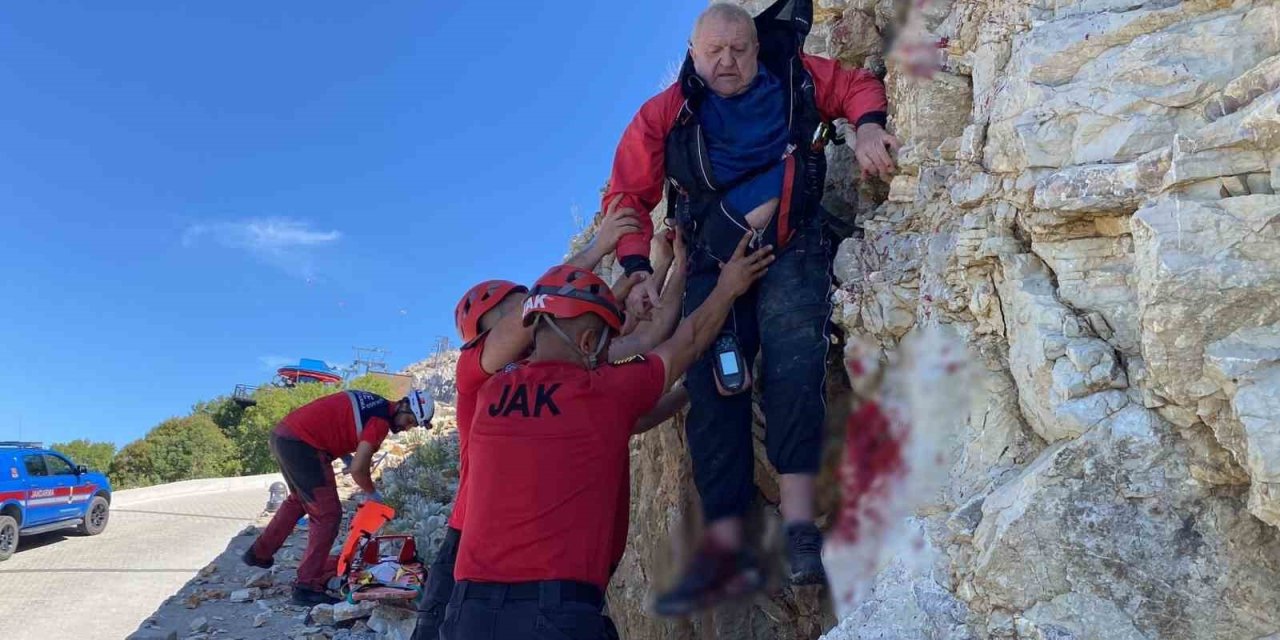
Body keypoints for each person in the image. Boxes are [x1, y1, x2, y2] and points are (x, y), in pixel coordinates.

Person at [601, 0, 898, 613]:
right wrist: (636, 271)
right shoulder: (664, 114)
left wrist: (868, 125)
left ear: (757, 47)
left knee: (795, 359)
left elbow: (854, 85)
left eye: (739, 48)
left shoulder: (794, 73)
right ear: (693, 53)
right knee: (715, 391)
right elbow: (629, 195)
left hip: (792, 243)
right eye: (714, 52)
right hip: (710, 257)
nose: (728, 61)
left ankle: (798, 533)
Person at [439, 233, 773, 640]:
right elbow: (686, 339)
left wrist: (667, 269)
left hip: (468, 613)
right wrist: (728, 286)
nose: (606, 352)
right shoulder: (601, 392)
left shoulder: (489, 393)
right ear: (584, 341)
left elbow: (617, 423)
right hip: (554, 614)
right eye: (603, 340)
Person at [411, 204, 688, 640]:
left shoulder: (558, 372)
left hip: (504, 577)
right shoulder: (478, 381)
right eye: (512, 319)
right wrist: (598, 248)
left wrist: (657, 266)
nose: (525, 325)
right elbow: (615, 330)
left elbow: (610, 329)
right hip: (473, 558)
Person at [242, 388, 434, 606]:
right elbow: (359, 470)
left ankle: (259, 552)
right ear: (404, 405)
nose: (406, 428)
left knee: (299, 499)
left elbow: (335, 420)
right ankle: (306, 586)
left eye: (412, 425)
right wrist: (372, 493)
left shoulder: (373, 402)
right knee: (328, 515)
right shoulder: (380, 421)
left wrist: (345, 457)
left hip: (285, 436)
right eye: (409, 421)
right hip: (304, 445)